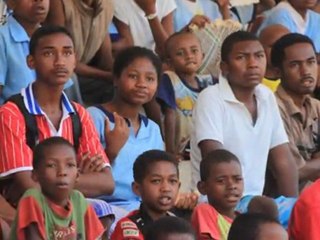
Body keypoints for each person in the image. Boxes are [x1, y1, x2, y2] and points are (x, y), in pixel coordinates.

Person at [0, 26, 114, 215]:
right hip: (26, 212)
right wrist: (76, 174)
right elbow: (28, 185)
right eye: (48, 53)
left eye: (67, 52)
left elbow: (107, 183)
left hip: (70, 206)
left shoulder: (79, 113)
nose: (60, 61)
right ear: (31, 62)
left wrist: (54, 178)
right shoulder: (11, 113)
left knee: (108, 214)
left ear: (75, 60)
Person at [190, 30, 298, 226]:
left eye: (259, 56)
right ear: (224, 67)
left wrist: (295, 207)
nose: (253, 64)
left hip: (255, 201)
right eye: (241, 57)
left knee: (306, 210)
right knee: (266, 208)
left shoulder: (266, 97)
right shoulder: (211, 97)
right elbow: (215, 161)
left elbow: (284, 163)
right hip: (220, 201)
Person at [87, 46, 163, 212]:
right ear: (115, 79)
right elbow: (85, 174)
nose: (142, 84)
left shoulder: (153, 129)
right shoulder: (94, 117)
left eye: (150, 79)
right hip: (105, 206)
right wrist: (111, 151)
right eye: (133, 76)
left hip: (144, 207)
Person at [9, 137, 105, 239]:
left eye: (70, 165)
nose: (62, 172)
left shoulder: (79, 201)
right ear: (35, 175)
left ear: (77, 175)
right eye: (52, 165)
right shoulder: (32, 199)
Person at [0, 0, 73, 105]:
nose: (40, 1)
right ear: (11, 2)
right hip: (14, 117)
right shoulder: (2, 38)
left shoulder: (51, 38)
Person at [157, 31, 215, 160]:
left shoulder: (209, 82)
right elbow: (170, 115)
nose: (189, 56)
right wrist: (170, 152)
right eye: (180, 53)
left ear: (203, 56)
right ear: (169, 62)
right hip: (180, 148)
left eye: (194, 51)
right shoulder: (169, 80)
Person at [272, 33, 320, 190]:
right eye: (295, 65)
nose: (306, 71)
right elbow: (293, 170)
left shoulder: (316, 106)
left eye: (311, 62)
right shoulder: (272, 109)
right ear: (278, 71)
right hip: (284, 203)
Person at [46, 0, 115, 104]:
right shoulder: (60, 3)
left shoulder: (106, 5)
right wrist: (105, 75)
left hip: (87, 74)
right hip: (63, 72)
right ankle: (76, 118)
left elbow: (106, 60)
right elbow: (61, 59)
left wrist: (118, 75)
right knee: (69, 79)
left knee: (126, 87)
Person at [110, 150, 180, 240]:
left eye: (172, 181)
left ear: (179, 186)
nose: (166, 188)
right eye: (156, 181)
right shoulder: (130, 228)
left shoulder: (176, 222)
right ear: (137, 188)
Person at [191, 149, 244, 240]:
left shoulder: (245, 219)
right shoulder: (204, 211)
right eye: (221, 181)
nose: (231, 186)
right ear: (203, 187)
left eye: (237, 179)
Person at [112, 0, 176, 56]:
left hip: (159, 61)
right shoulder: (118, 3)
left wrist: (151, 13)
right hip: (135, 61)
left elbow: (167, 52)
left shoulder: (165, 1)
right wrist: (150, 12)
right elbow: (129, 47)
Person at [259, 24, 290, 92]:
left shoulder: (294, 82)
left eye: (286, 46)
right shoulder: (253, 83)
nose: (280, 51)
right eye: (273, 46)